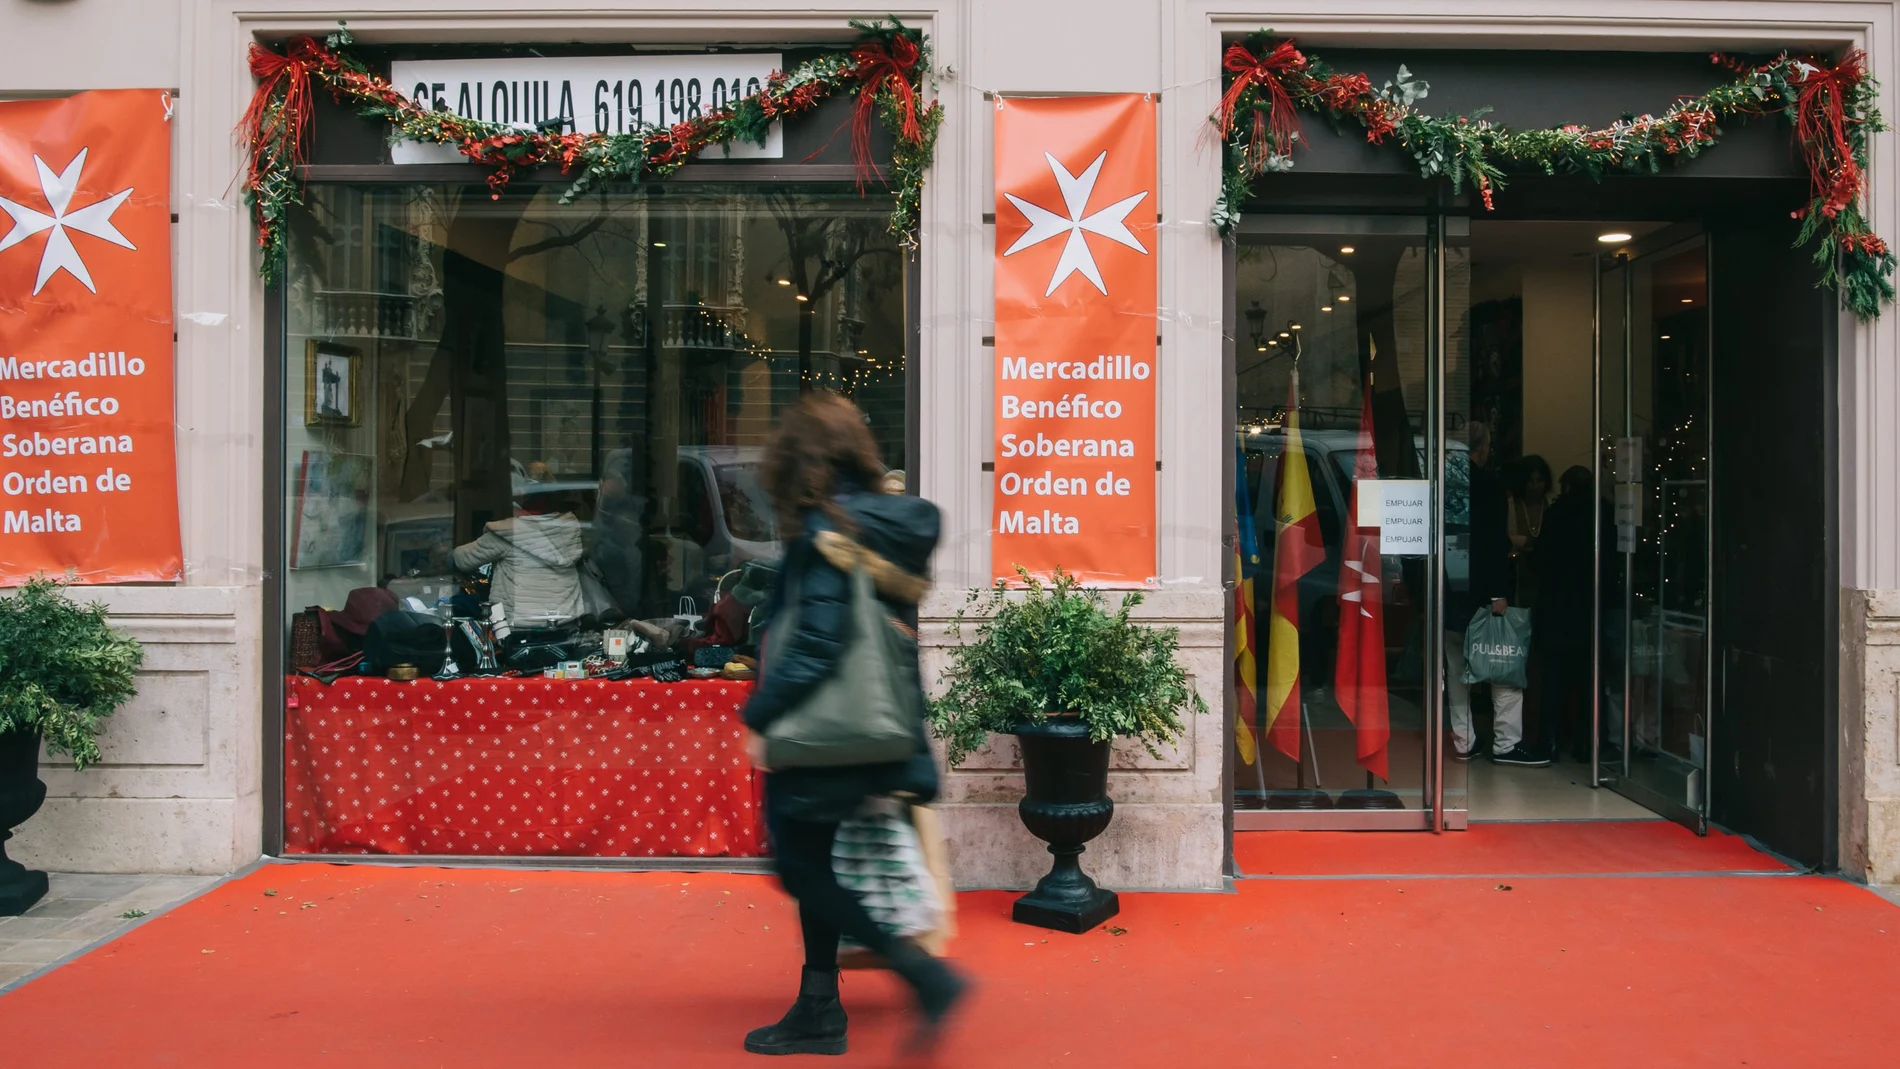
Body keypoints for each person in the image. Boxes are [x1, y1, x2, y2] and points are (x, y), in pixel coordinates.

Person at [740, 393, 966, 1057]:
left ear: (801, 461)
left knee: (802, 866)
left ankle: (923, 978)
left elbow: (815, 642)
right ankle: (821, 1003)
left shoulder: (826, 532)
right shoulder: (887, 527)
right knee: (821, 864)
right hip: (879, 730)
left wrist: (759, 714)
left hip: (825, 734)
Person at [1446, 422, 1546, 766]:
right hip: (1482, 593)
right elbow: (1491, 543)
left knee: (1457, 669)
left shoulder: (1444, 485)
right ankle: (1506, 743)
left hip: (1448, 592)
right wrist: (1499, 592)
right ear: (1484, 448)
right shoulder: (1488, 486)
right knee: (1502, 662)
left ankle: (1464, 740)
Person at [449, 491, 585, 626]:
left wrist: (445, 554)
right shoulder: (569, 530)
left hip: (518, 626)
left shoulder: (506, 534)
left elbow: (463, 560)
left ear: (520, 507)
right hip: (564, 622)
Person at [1535, 465, 1596, 761]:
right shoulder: (1602, 513)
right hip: (1588, 607)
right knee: (1588, 680)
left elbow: (1542, 559)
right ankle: (1586, 744)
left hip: (1557, 605)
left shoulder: (1557, 514)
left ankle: (1549, 740)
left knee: (1553, 679)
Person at [1508, 455, 1553, 609]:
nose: (1535, 486)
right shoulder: (1511, 505)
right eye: (1530, 481)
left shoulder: (1551, 505)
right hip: (1516, 575)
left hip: (1543, 576)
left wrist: (1526, 542)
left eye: (1539, 480)